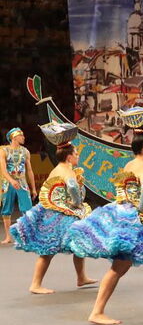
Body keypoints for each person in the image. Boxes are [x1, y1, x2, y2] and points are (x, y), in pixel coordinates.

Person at [67, 118, 143, 325]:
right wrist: (142, 208)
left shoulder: (130, 164)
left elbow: (123, 189)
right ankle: (97, 311)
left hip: (127, 214)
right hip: (137, 220)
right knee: (120, 267)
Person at [10, 122, 96, 294]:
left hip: (62, 211)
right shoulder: (66, 171)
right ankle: (35, 284)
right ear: (69, 157)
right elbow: (73, 190)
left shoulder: (61, 168)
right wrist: (78, 205)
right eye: (76, 153)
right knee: (48, 250)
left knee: (77, 244)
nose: (78, 156)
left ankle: (81, 277)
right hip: (59, 214)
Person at [1, 127, 37, 244]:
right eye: (21, 135)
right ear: (14, 137)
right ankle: (8, 237)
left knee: (27, 209)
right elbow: (3, 170)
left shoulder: (25, 151)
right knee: (6, 210)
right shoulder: (4, 150)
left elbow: (30, 170)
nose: (24, 137)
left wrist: (33, 188)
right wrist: (11, 181)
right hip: (8, 183)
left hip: (21, 182)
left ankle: (27, 236)